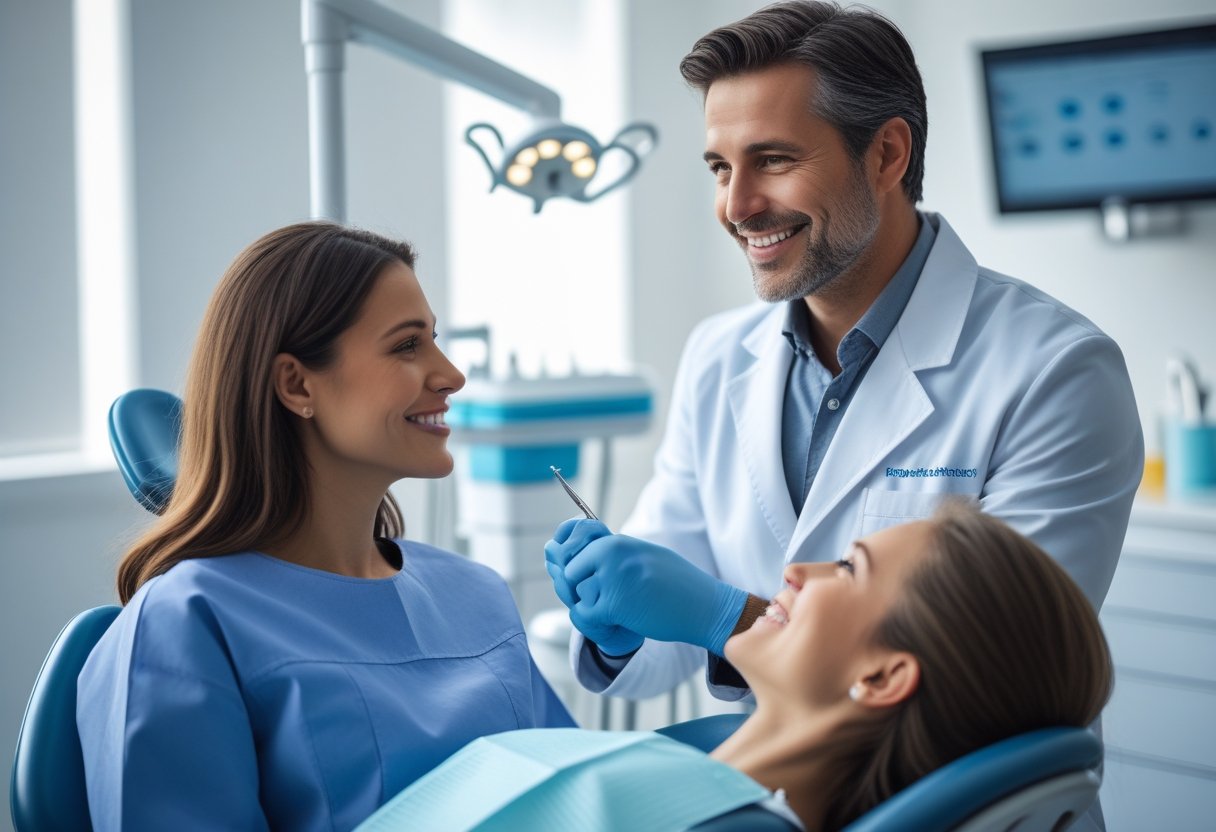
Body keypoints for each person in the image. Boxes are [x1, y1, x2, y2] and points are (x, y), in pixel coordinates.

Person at [546, 0, 1141, 700]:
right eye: (719, 168)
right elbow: (665, 611)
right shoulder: (716, 357)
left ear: (887, 154)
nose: (737, 206)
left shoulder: (1056, 371)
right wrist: (622, 625)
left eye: (773, 160)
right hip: (765, 792)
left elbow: (998, 670)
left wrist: (727, 618)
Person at [77, 222, 575, 831]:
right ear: (296, 383)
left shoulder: (476, 593)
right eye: (406, 346)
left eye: (434, 341)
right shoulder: (185, 626)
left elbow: (578, 797)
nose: (450, 375)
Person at [370, 503, 1113, 831]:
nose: (795, 570)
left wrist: (722, 614)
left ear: (884, 678)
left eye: (848, 569)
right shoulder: (700, 765)